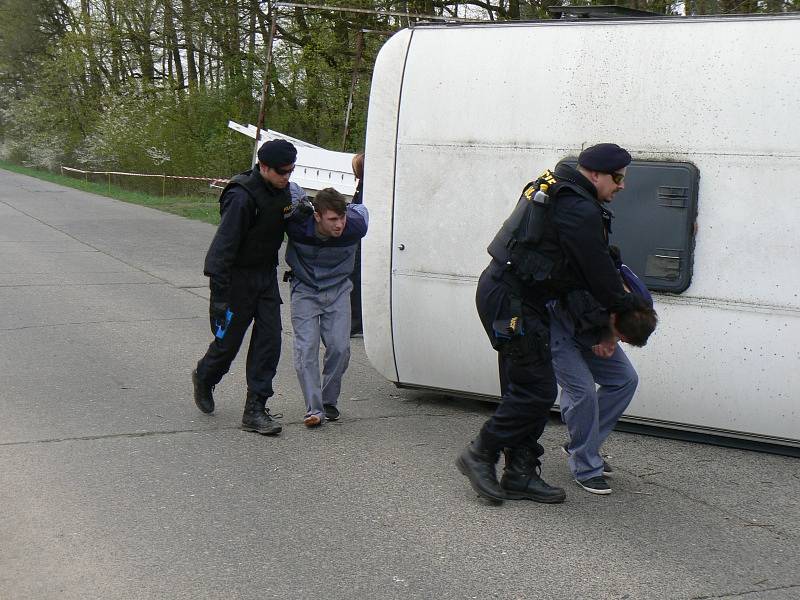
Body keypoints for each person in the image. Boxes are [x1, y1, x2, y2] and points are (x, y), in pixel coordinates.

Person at [457, 142, 646, 505]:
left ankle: (519, 472)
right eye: (618, 178)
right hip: (510, 300)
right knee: (535, 390)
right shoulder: (577, 207)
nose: (621, 186)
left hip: (519, 298)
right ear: (595, 174)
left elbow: (575, 263)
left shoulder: (558, 188)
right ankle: (481, 452)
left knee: (524, 386)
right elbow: (598, 274)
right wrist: (626, 308)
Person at [191, 139, 297, 436]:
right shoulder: (242, 197)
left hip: (265, 277)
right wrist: (219, 298)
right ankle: (204, 375)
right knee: (228, 343)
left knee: (269, 341)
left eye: (291, 171)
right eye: (281, 172)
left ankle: (255, 409)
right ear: (263, 167)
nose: (287, 177)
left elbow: (286, 220)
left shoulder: (282, 189)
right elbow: (221, 250)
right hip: (236, 280)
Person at [549, 264, 657, 495]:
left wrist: (611, 338)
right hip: (560, 326)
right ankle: (586, 468)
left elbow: (621, 323)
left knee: (626, 379)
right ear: (615, 317)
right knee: (582, 391)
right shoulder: (590, 297)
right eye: (621, 336)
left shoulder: (642, 301)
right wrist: (608, 334)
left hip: (596, 326)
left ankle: (583, 446)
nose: (621, 341)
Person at [285, 187, 368, 427]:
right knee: (307, 348)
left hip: (339, 288)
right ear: (317, 216)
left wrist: (349, 211)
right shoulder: (297, 225)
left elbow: (362, 209)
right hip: (305, 289)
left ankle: (329, 401)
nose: (339, 225)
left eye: (341, 218)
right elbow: (287, 191)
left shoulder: (356, 225)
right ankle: (314, 409)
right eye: (332, 219)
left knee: (340, 348)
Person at [349, 153, 365, 337]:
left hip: (361, 239)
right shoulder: (361, 187)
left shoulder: (363, 189)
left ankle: (356, 321)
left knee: (356, 276)